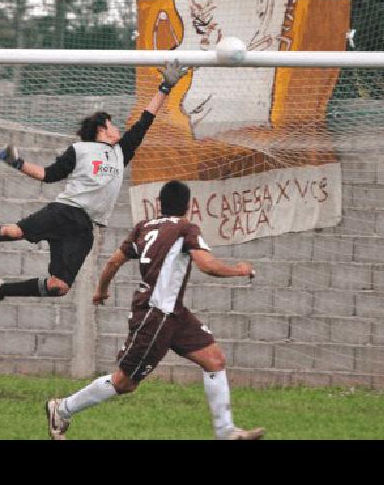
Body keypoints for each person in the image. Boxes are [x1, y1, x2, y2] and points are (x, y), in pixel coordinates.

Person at [0, 60, 189, 315]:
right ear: (103, 129)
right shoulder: (79, 150)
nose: (118, 128)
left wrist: (165, 86)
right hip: (65, 211)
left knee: (60, 287)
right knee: (14, 232)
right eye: (113, 124)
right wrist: (17, 163)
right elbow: (48, 175)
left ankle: (2, 290)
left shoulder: (122, 152)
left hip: (85, 228)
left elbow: (145, 121)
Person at [45, 180, 265, 440]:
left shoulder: (144, 227)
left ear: (159, 204)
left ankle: (226, 431)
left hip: (175, 314)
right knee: (124, 382)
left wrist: (101, 290)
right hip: (156, 314)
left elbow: (114, 261)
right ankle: (62, 408)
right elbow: (207, 265)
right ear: (189, 206)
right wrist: (239, 270)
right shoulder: (186, 228)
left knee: (214, 360)